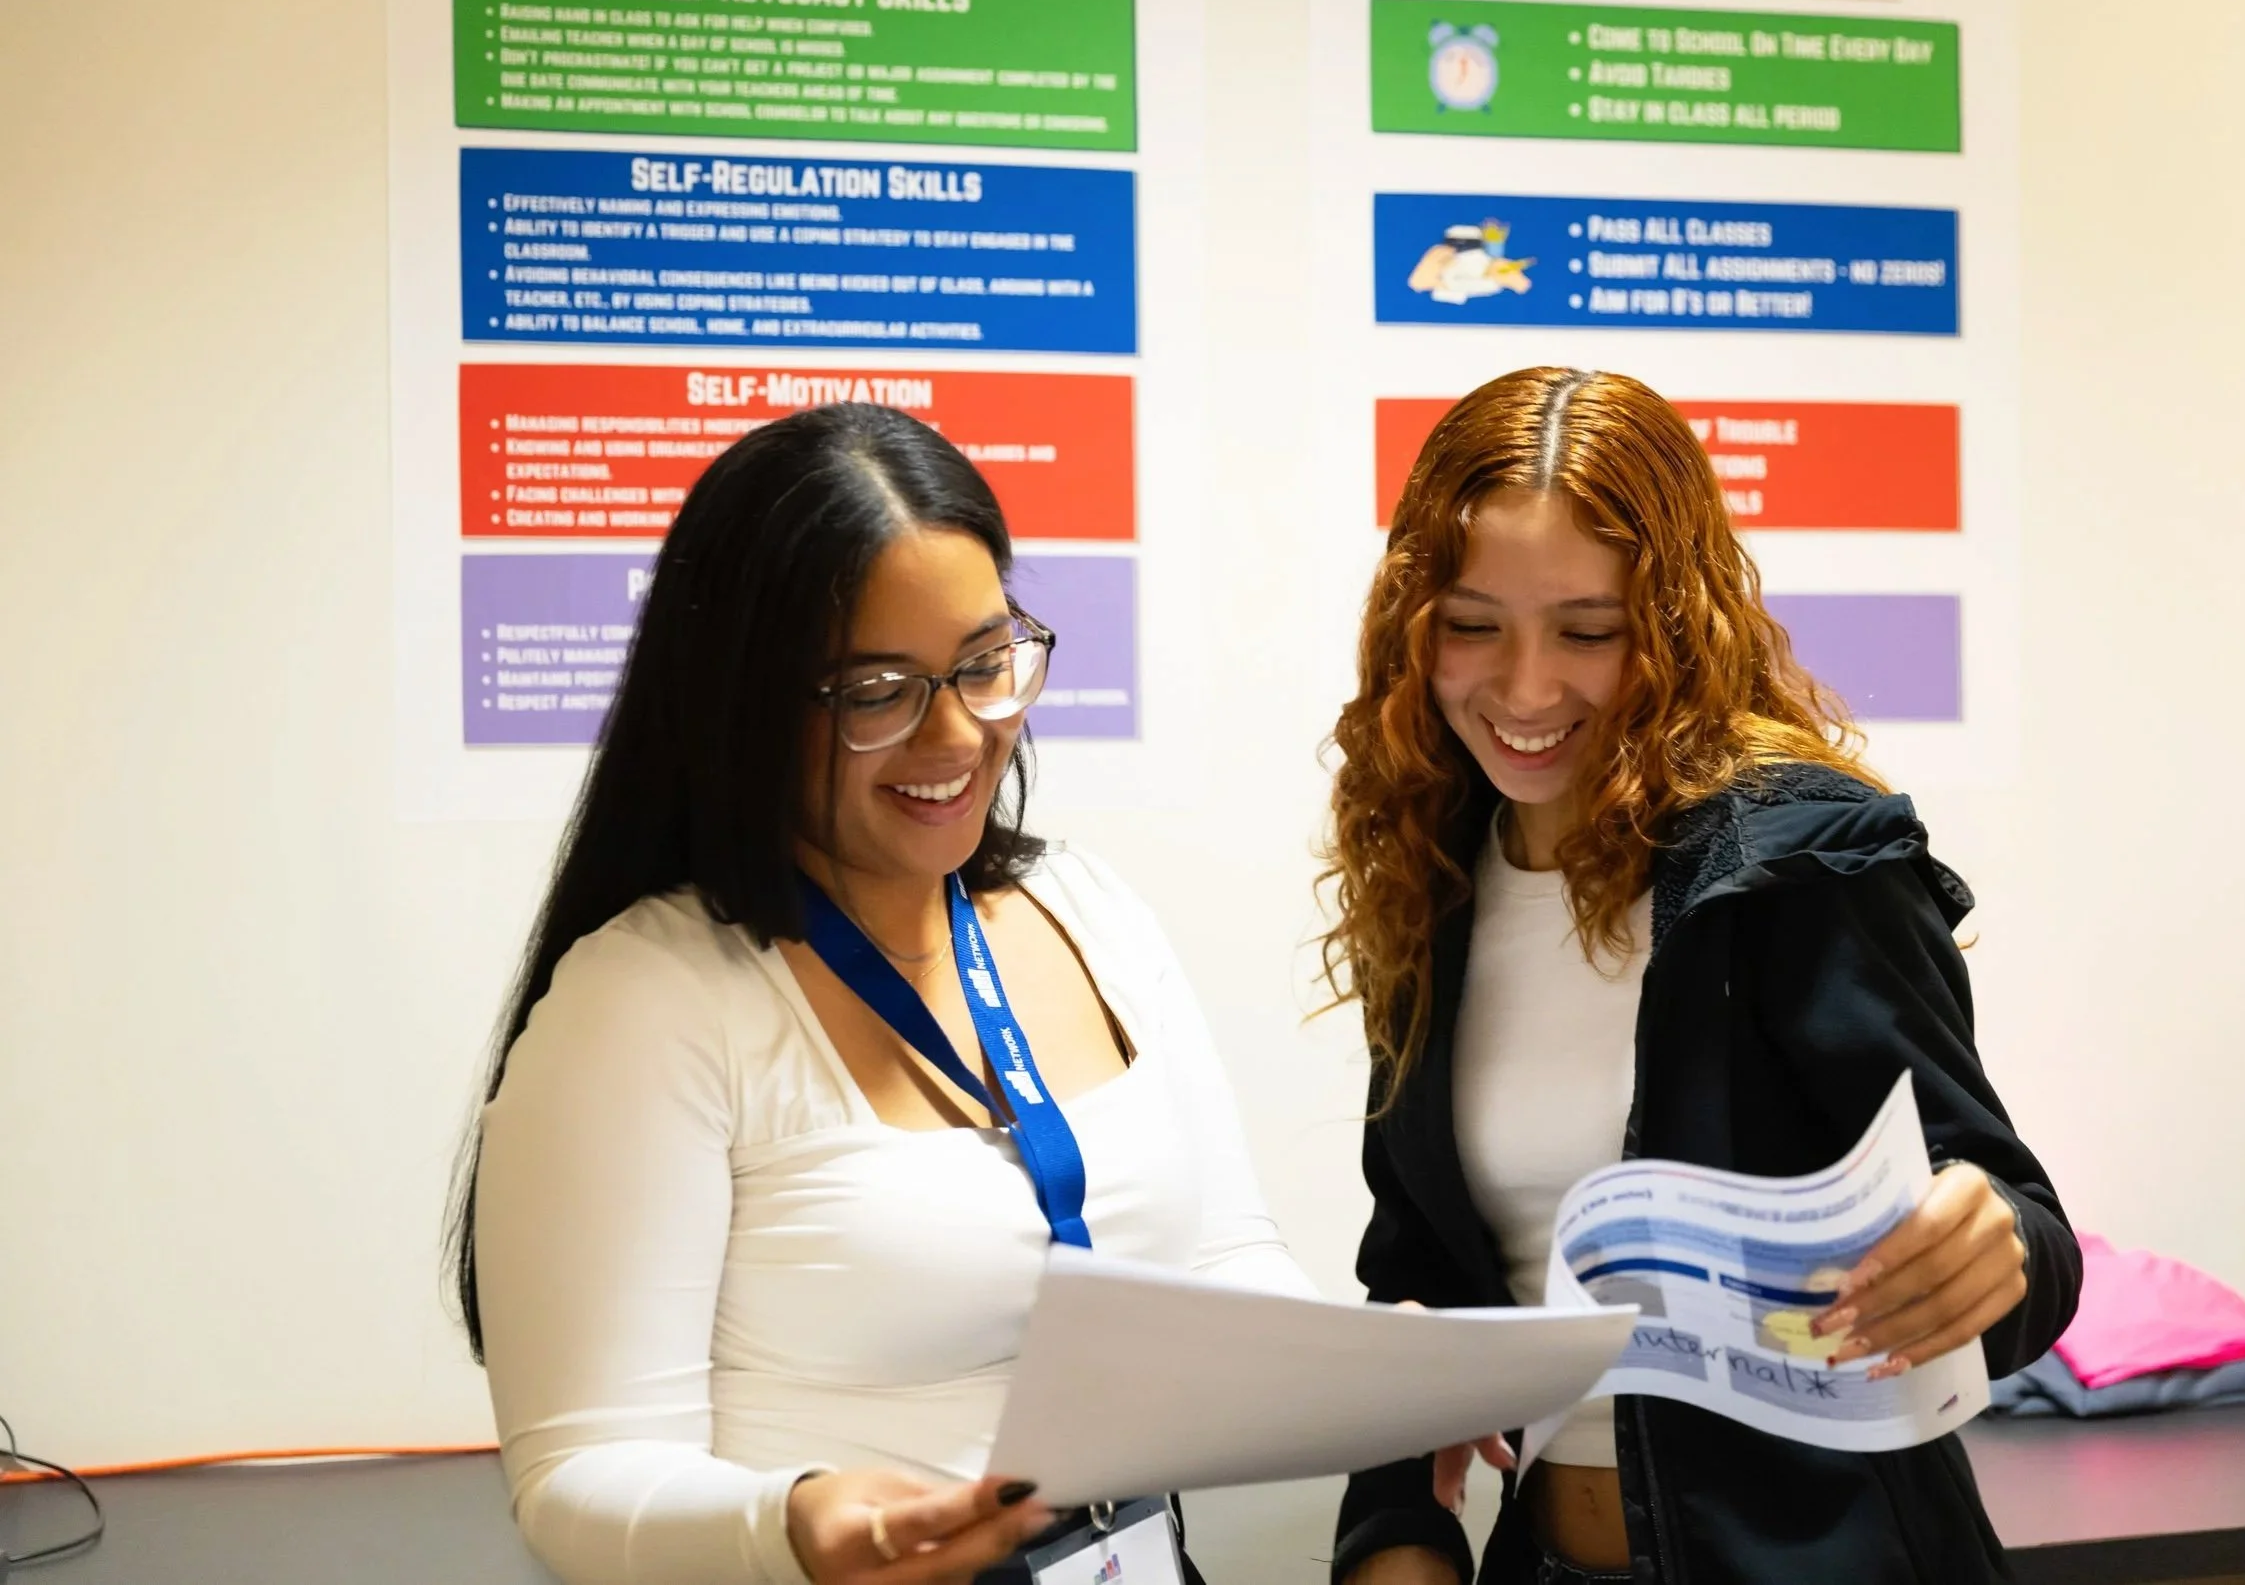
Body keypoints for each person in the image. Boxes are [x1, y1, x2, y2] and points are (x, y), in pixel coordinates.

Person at [447, 403, 1309, 1585]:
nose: (953, 731)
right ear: (742, 699)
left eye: (983, 662)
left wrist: (1372, 1371)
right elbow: (579, 1475)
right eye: (875, 690)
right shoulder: (647, 1003)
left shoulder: (1088, 909)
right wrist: (790, 1523)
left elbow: (1224, 1260)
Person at [1322, 369, 2082, 1585]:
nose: (1524, 689)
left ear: (1670, 620)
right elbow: (1415, 1275)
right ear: (1414, 622)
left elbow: (2020, 1229)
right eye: (1472, 624)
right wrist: (1391, 1538)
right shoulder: (1431, 881)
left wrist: (1994, 1246)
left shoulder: (1796, 858)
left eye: (1586, 630)